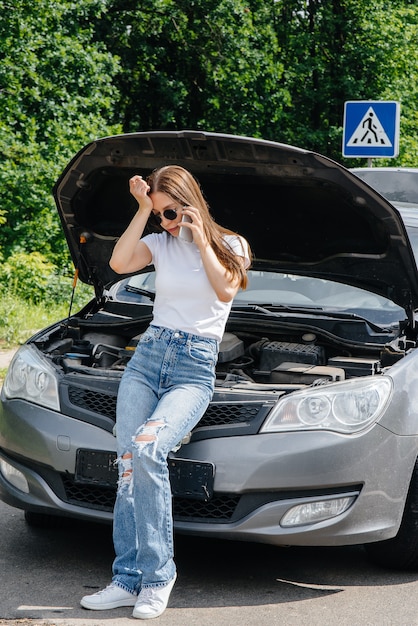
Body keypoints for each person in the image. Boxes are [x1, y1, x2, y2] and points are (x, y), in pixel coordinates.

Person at [80, 165, 251, 619]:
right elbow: (118, 264)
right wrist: (141, 209)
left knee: (149, 449)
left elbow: (224, 289)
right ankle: (126, 578)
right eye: (161, 216)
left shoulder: (232, 245)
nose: (166, 223)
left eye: (170, 213)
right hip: (148, 358)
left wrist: (199, 237)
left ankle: (158, 577)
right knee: (129, 467)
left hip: (194, 369)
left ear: (190, 201)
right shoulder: (159, 242)